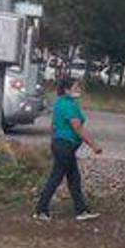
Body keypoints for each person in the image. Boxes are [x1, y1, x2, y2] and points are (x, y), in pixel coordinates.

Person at [33, 77, 102, 222]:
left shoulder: (60, 103)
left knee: (73, 178)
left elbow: (53, 126)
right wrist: (93, 145)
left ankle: (81, 210)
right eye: (75, 87)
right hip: (65, 146)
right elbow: (77, 127)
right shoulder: (69, 106)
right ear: (67, 90)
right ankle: (41, 210)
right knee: (56, 177)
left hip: (62, 145)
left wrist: (55, 140)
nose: (78, 90)